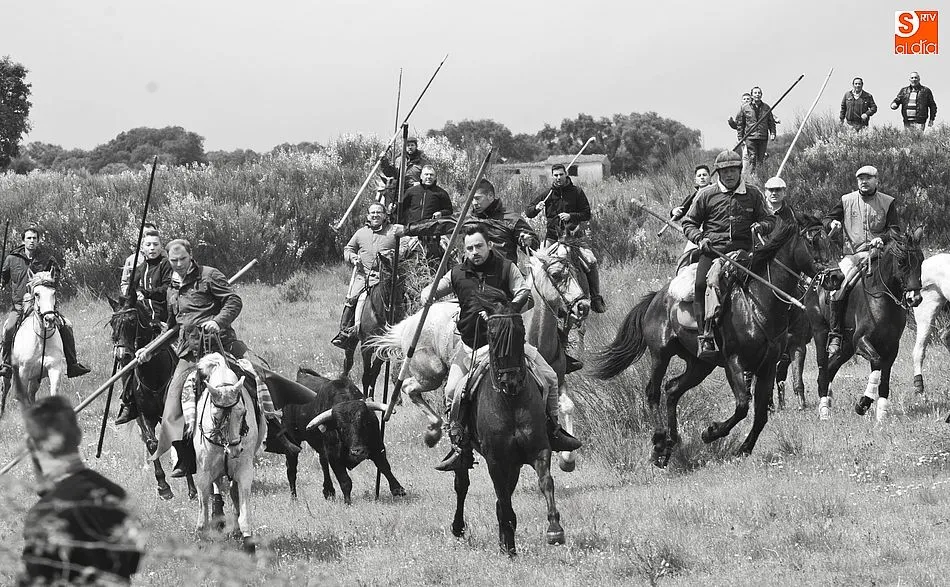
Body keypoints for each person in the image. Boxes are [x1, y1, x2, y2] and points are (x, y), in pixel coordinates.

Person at [423, 225, 581, 471]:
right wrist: (427, 293)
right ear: (464, 250)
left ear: (489, 246)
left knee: (549, 377)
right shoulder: (456, 273)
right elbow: (434, 291)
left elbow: (524, 292)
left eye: (479, 246)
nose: (475, 252)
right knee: (453, 391)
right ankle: (460, 446)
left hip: (510, 345)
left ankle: (553, 431)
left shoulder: (507, 268)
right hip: (471, 347)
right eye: (469, 248)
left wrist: (506, 311)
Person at [142, 239, 299, 478]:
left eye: (182, 259)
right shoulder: (172, 287)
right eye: (173, 261)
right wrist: (151, 348)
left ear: (191, 256)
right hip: (190, 353)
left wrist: (217, 321)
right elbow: (174, 326)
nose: (178, 264)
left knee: (256, 378)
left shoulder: (209, 276)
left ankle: (278, 435)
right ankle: (185, 458)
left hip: (220, 346)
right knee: (172, 404)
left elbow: (234, 301)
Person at [19, 396, 143, 585]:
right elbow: (133, 560)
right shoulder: (117, 494)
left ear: (33, 445)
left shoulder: (44, 514)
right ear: (78, 435)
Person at [681, 150, 775, 359]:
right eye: (725, 171)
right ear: (718, 173)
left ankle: (780, 332)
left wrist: (762, 226)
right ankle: (705, 336)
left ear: (739, 171)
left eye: (733, 170)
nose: (729, 175)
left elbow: (771, 220)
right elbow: (688, 222)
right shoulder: (706, 194)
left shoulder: (753, 194)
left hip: (746, 252)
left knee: (770, 281)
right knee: (700, 285)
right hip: (713, 250)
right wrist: (699, 238)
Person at [821, 165, 900, 359]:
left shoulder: (888, 202)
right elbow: (827, 218)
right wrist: (832, 223)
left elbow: (895, 230)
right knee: (838, 288)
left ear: (876, 181)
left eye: (868, 178)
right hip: (852, 255)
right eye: (860, 179)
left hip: (879, 255)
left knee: (902, 280)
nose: (864, 181)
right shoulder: (846, 200)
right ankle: (836, 334)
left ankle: (897, 325)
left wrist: (882, 237)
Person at [0, 227, 91, 379]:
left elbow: (56, 277)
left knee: (67, 325)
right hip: (20, 305)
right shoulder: (11, 258)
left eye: (34, 238)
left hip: (43, 305)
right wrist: (2, 282)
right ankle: (6, 365)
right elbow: (4, 277)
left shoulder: (47, 258)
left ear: (38, 240)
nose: (32, 241)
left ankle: (72, 364)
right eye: (29, 238)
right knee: (9, 327)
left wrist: (49, 286)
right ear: (23, 240)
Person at [395, 178, 539, 264]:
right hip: (473, 275)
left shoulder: (511, 219)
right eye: (471, 199)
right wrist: (407, 229)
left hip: (503, 276)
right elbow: (437, 225)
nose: (474, 203)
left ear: (490, 196)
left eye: (477, 198)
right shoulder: (467, 218)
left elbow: (535, 248)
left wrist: (528, 241)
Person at [524, 163, 606, 313]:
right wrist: (536, 208)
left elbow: (587, 213)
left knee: (591, 260)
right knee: (537, 264)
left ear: (566, 174)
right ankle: (530, 301)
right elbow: (528, 212)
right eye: (555, 175)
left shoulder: (577, 192)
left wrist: (571, 216)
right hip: (552, 238)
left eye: (561, 174)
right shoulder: (547, 194)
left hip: (573, 238)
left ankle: (595, 298)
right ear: (552, 176)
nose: (558, 177)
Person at [114, 227, 173, 425]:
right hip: (143, 326)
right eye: (148, 244)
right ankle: (128, 401)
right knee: (125, 355)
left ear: (161, 246)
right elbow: (128, 296)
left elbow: (167, 289)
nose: (152, 248)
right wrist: (131, 296)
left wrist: (146, 293)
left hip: (164, 322)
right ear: (142, 248)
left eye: (156, 244)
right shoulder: (138, 270)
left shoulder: (166, 266)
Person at [331, 202, 400, 349]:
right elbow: (348, 248)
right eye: (372, 213)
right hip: (364, 276)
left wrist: (395, 255)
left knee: (403, 299)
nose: (375, 215)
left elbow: (407, 244)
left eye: (378, 212)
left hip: (388, 278)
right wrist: (353, 257)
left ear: (385, 215)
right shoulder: (361, 233)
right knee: (352, 298)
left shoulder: (393, 231)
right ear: (368, 216)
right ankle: (344, 334)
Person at [397, 165, 454, 266]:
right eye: (426, 174)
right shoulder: (411, 191)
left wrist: (441, 213)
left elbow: (449, 210)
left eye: (431, 175)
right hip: (412, 232)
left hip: (432, 233)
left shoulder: (441, 193)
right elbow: (401, 209)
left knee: (448, 257)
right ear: (421, 176)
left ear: (435, 177)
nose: (429, 177)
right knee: (400, 257)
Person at [735, 86, 778, 177]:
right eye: (755, 93)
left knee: (761, 159)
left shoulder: (766, 107)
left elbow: (771, 121)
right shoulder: (745, 108)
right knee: (752, 157)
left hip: (763, 136)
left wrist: (773, 133)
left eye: (759, 93)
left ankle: (760, 177)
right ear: (752, 95)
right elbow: (740, 124)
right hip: (750, 137)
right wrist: (740, 137)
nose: (757, 95)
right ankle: (751, 176)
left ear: (761, 95)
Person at [119, 222, 160, 296]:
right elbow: (125, 283)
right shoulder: (131, 260)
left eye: (152, 234)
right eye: (144, 235)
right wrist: (131, 295)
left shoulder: (165, 259)